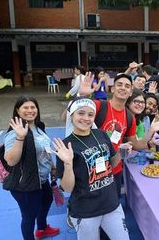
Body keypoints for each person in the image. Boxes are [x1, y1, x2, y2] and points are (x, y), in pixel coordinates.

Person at [54, 98, 130, 240]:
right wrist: (68, 164)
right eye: (80, 113)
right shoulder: (65, 146)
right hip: (85, 210)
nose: (86, 118)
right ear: (72, 116)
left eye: (90, 114)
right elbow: (67, 188)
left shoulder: (101, 134)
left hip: (111, 203)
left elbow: (111, 164)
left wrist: (121, 152)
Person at [3, 96, 59, 240]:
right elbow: (10, 160)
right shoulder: (14, 133)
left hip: (41, 179)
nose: (30, 110)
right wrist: (20, 137)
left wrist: (52, 166)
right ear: (17, 110)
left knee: (46, 201)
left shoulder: (39, 126)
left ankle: (41, 229)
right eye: (25, 108)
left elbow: (45, 149)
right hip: (25, 185)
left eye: (32, 107)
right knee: (28, 217)